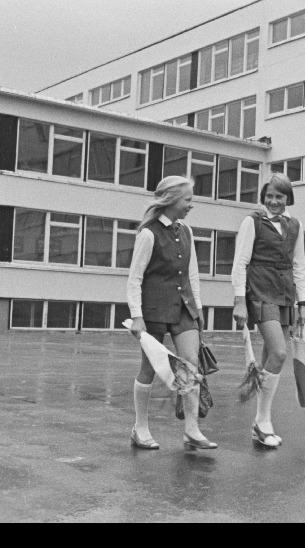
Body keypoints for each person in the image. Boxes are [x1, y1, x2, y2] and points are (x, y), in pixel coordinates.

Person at [126, 176, 217, 451]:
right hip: (153, 310)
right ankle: (140, 428)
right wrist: (137, 315)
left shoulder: (186, 231)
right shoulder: (148, 233)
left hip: (184, 308)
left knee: (190, 364)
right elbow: (134, 278)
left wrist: (198, 308)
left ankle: (192, 429)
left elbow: (193, 274)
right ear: (171, 200)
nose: (191, 205)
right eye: (187, 200)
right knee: (150, 369)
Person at [232, 172, 305, 449]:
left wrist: (302, 304)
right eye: (270, 196)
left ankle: (260, 423)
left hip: (285, 293)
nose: (273, 201)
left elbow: (299, 265)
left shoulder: (295, 226)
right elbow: (240, 262)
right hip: (261, 291)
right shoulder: (252, 222)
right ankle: (263, 422)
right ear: (263, 197)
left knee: (269, 357)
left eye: (279, 196)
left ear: (288, 198)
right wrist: (239, 299)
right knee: (278, 352)